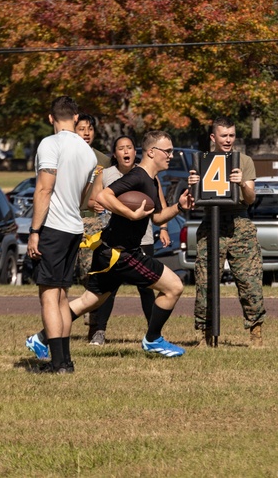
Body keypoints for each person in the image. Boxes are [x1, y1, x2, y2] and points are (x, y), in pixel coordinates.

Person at [65, 130, 193, 361]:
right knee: (174, 286)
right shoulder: (138, 176)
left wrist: (179, 207)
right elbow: (103, 197)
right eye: (168, 151)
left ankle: (42, 337)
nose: (171, 156)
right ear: (152, 152)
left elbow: (156, 218)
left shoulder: (151, 180)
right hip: (121, 254)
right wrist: (130, 215)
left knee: (88, 301)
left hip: (111, 251)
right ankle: (153, 339)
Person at [24, 97, 98, 374]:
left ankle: (57, 364)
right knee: (62, 296)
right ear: (76, 118)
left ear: (50, 118)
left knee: (48, 296)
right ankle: (65, 361)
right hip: (74, 227)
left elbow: (44, 189)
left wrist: (34, 231)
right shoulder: (88, 152)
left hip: (53, 228)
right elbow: (82, 196)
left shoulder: (50, 144)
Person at [187, 117, 266, 347]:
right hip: (211, 223)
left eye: (232, 135)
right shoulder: (201, 161)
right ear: (213, 137)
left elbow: (251, 198)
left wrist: (242, 184)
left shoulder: (244, 161)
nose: (229, 140)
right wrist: (192, 184)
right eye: (224, 135)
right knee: (205, 281)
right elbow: (192, 201)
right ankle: (204, 334)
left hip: (239, 223)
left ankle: (256, 332)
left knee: (249, 280)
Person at [85, 136, 166, 345]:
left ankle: (152, 334)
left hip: (143, 238)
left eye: (129, 147)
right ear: (115, 154)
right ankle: (99, 331)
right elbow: (96, 199)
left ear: (135, 151)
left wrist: (164, 228)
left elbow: (159, 208)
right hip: (114, 240)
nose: (126, 151)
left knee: (147, 289)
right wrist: (100, 206)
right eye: (121, 148)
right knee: (106, 291)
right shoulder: (107, 174)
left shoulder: (146, 175)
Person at [75, 113, 111, 286]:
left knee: (89, 273)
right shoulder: (66, 157)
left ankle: (92, 312)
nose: (86, 133)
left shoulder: (103, 160)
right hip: (68, 218)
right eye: (81, 129)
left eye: (90, 129)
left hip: (93, 222)